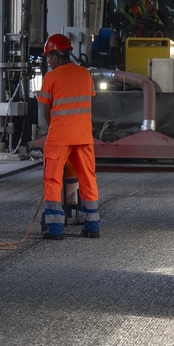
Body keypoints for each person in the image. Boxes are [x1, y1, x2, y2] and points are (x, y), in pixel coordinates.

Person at [35, 33, 100, 240]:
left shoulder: (51, 77)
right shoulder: (84, 74)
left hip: (59, 138)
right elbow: (88, 101)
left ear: (55, 56)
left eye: (48, 58)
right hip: (83, 136)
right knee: (87, 179)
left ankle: (55, 229)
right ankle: (92, 226)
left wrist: (54, 127)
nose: (49, 62)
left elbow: (45, 110)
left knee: (53, 181)